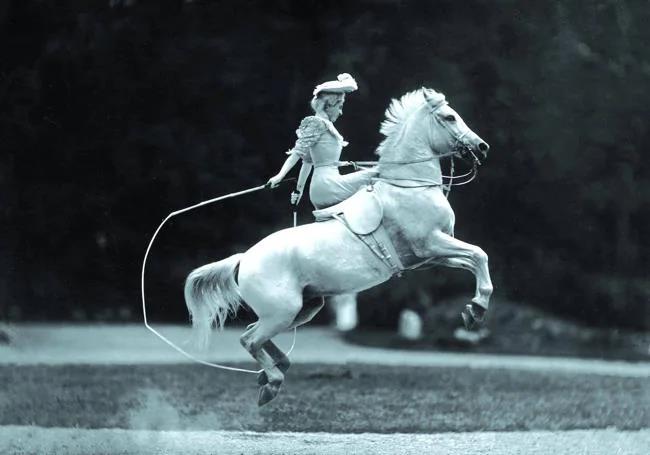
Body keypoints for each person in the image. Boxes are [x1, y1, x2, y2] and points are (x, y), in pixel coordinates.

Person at [267, 73, 378, 209]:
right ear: (329, 105)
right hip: (328, 185)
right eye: (340, 106)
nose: (341, 112)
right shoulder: (317, 123)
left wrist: (299, 190)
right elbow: (297, 153)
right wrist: (279, 176)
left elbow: (307, 161)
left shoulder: (324, 125)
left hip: (322, 188)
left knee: (377, 173)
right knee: (379, 172)